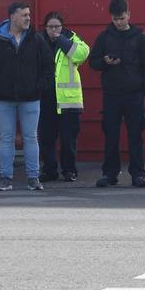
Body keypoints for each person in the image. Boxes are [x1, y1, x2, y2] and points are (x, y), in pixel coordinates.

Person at [0, 2, 53, 191]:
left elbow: (49, 65)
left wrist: (39, 87)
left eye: (29, 15)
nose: (28, 18)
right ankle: (6, 179)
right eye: (24, 15)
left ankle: (33, 178)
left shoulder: (37, 39)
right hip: (4, 98)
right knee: (6, 138)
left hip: (31, 98)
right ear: (12, 17)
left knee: (31, 138)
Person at [89, 0, 145, 188]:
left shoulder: (140, 37)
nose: (118, 22)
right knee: (111, 135)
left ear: (129, 15)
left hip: (134, 94)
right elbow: (93, 62)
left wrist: (143, 89)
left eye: (121, 18)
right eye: (115, 19)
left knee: (136, 135)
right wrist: (105, 63)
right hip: (112, 94)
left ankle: (138, 174)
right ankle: (110, 174)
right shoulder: (104, 37)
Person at [38, 12, 90, 183]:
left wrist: (61, 40)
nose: (53, 30)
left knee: (68, 139)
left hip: (68, 99)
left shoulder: (71, 38)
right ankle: (49, 170)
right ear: (45, 28)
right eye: (50, 27)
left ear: (62, 27)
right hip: (45, 97)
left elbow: (82, 54)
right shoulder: (39, 41)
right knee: (46, 138)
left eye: (57, 27)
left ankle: (69, 170)